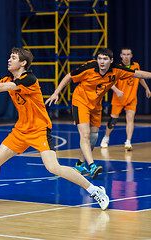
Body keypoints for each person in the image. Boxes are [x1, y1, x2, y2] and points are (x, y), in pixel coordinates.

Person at [0, 47, 109, 210]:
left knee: (53, 168)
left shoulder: (29, 79)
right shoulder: (7, 79)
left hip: (39, 130)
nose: (9, 60)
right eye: (9, 57)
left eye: (13, 57)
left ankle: (95, 190)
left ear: (23, 63)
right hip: (20, 131)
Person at [46, 48, 151, 177]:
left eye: (105, 59)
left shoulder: (117, 70)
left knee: (93, 137)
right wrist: (56, 93)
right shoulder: (89, 67)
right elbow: (69, 76)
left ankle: (80, 164)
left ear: (111, 61)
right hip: (81, 102)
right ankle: (92, 165)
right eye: (100, 58)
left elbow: (139, 74)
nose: (102, 62)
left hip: (96, 105)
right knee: (85, 135)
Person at [100, 48, 151, 150]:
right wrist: (117, 91)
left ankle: (128, 141)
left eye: (128, 54)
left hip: (131, 98)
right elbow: (109, 83)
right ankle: (106, 137)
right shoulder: (116, 68)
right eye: (124, 54)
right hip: (119, 99)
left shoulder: (135, 66)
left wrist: (147, 88)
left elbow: (140, 78)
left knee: (130, 119)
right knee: (113, 121)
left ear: (131, 55)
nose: (126, 56)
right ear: (120, 56)